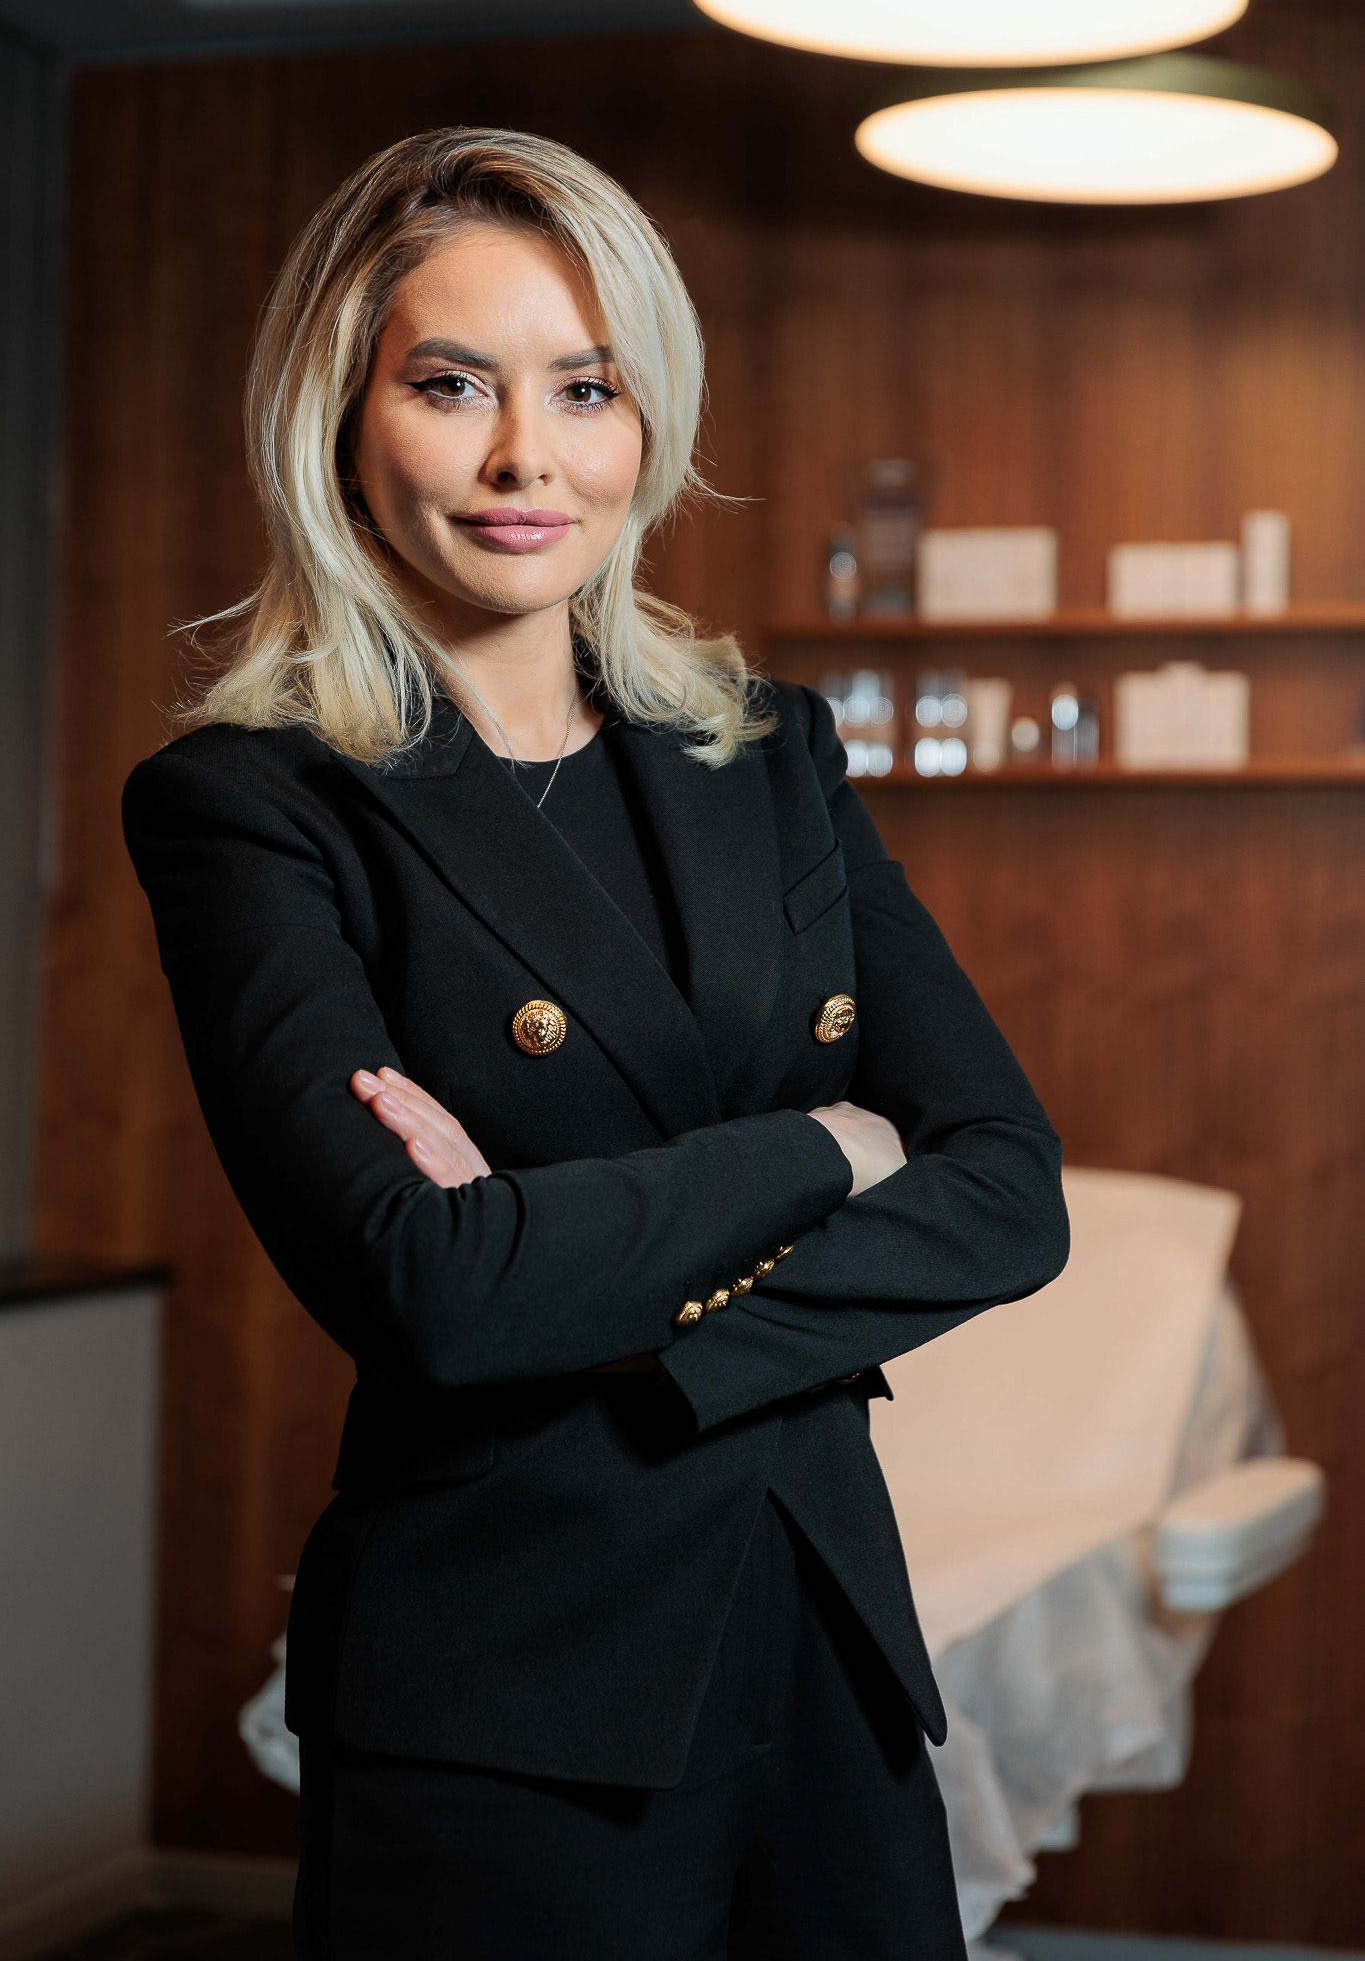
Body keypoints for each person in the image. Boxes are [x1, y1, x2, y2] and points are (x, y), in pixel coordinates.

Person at [123, 126, 1069, 1960]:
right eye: (449, 385)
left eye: (584, 387)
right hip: (508, 1683)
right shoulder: (254, 805)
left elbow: (1010, 1192)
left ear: (648, 421)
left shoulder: (768, 754)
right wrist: (828, 1151)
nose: (523, 458)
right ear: (338, 418)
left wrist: (596, 1289)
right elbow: (435, 1293)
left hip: (822, 1641)